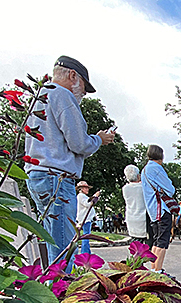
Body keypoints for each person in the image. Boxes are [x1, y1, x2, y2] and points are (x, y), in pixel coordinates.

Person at [24, 56, 115, 266]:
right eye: (84, 85)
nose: (83, 92)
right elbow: (79, 143)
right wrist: (99, 139)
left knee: (52, 242)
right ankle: (60, 294)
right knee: (64, 250)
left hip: (38, 174)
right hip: (56, 177)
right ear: (72, 75)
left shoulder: (41, 95)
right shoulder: (63, 96)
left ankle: (52, 289)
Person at [141, 144, 175, 273]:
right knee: (162, 241)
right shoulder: (156, 168)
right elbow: (170, 189)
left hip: (152, 211)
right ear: (160, 156)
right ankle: (158, 270)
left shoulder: (144, 169)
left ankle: (154, 268)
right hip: (162, 210)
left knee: (156, 240)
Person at [122, 165, 147, 242]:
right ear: (138, 176)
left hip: (131, 219)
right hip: (143, 219)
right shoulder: (143, 187)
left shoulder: (125, 188)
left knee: (135, 246)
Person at [76, 180, 98, 254]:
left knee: (87, 236)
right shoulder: (81, 196)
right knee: (86, 236)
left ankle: (87, 253)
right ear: (81, 189)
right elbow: (88, 204)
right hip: (84, 219)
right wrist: (95, 196)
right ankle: (84, 253)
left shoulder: (83, 196)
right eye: (85, 188)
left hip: (86, 219)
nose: (87, 189)